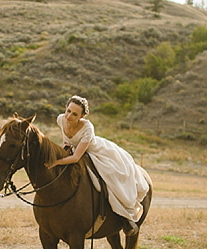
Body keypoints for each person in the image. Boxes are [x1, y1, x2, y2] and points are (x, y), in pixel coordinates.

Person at [45, 95, 150, 236]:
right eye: (68, 110)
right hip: (75, 150)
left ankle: (125, 216)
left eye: (74, 114)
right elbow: (66, 142)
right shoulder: (61, 119)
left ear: (81, 116)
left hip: (95, 151)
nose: (69, 116)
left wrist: (56, 162)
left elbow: (76, 158)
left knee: (111, 175)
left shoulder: (88, 128)